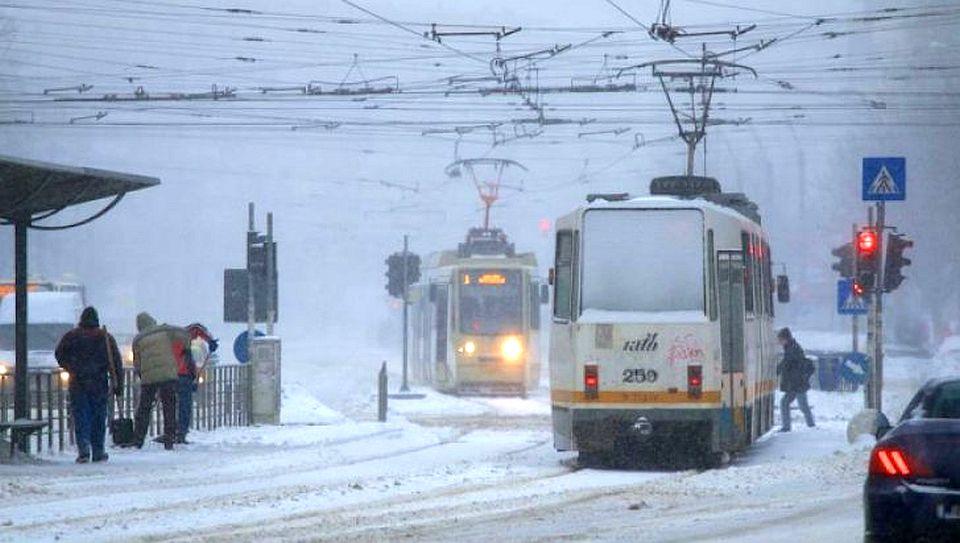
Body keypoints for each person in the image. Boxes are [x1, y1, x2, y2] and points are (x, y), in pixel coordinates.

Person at [55, 307, 123, 463]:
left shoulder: (72, 336)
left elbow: (59, 354)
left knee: (81, 415)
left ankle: (84, 448)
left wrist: (71, 366)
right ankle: (98, 450)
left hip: (78, 382)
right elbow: (116, 363)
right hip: (99, 382)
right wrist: (118, 384)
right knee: (98, 416)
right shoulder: (104, 337)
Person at [132, 312, 191, 450]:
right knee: (169, 407)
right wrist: (186, 349)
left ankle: (139, 439)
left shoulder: (138, 339)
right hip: (168, 376)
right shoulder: (165, 330)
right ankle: (169, 439)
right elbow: (184, 334)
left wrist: (141, 375)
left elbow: (137, 362)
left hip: (149, 378)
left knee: (144, 408)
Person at [176, 322, 217, 444]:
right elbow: (197, 328)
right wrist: (210, 340)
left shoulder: (169, 343)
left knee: (171, 404)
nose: (194, 338)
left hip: (169, 376)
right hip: (183, 376)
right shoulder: (183, 338)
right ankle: (180, 433)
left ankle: (172, 432)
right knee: (184, 406)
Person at [776, 327, 816, 432]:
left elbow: (788, 363)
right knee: (798, 405)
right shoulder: (792, 347)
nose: (779, 342)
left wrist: (778, 369)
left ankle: (807, 426)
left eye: (780, 339)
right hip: (796, 383)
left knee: (795, 404)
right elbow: (787, 363)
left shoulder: (792, 349)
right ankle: (809, 425)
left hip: (797, 383)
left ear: (785, 338)